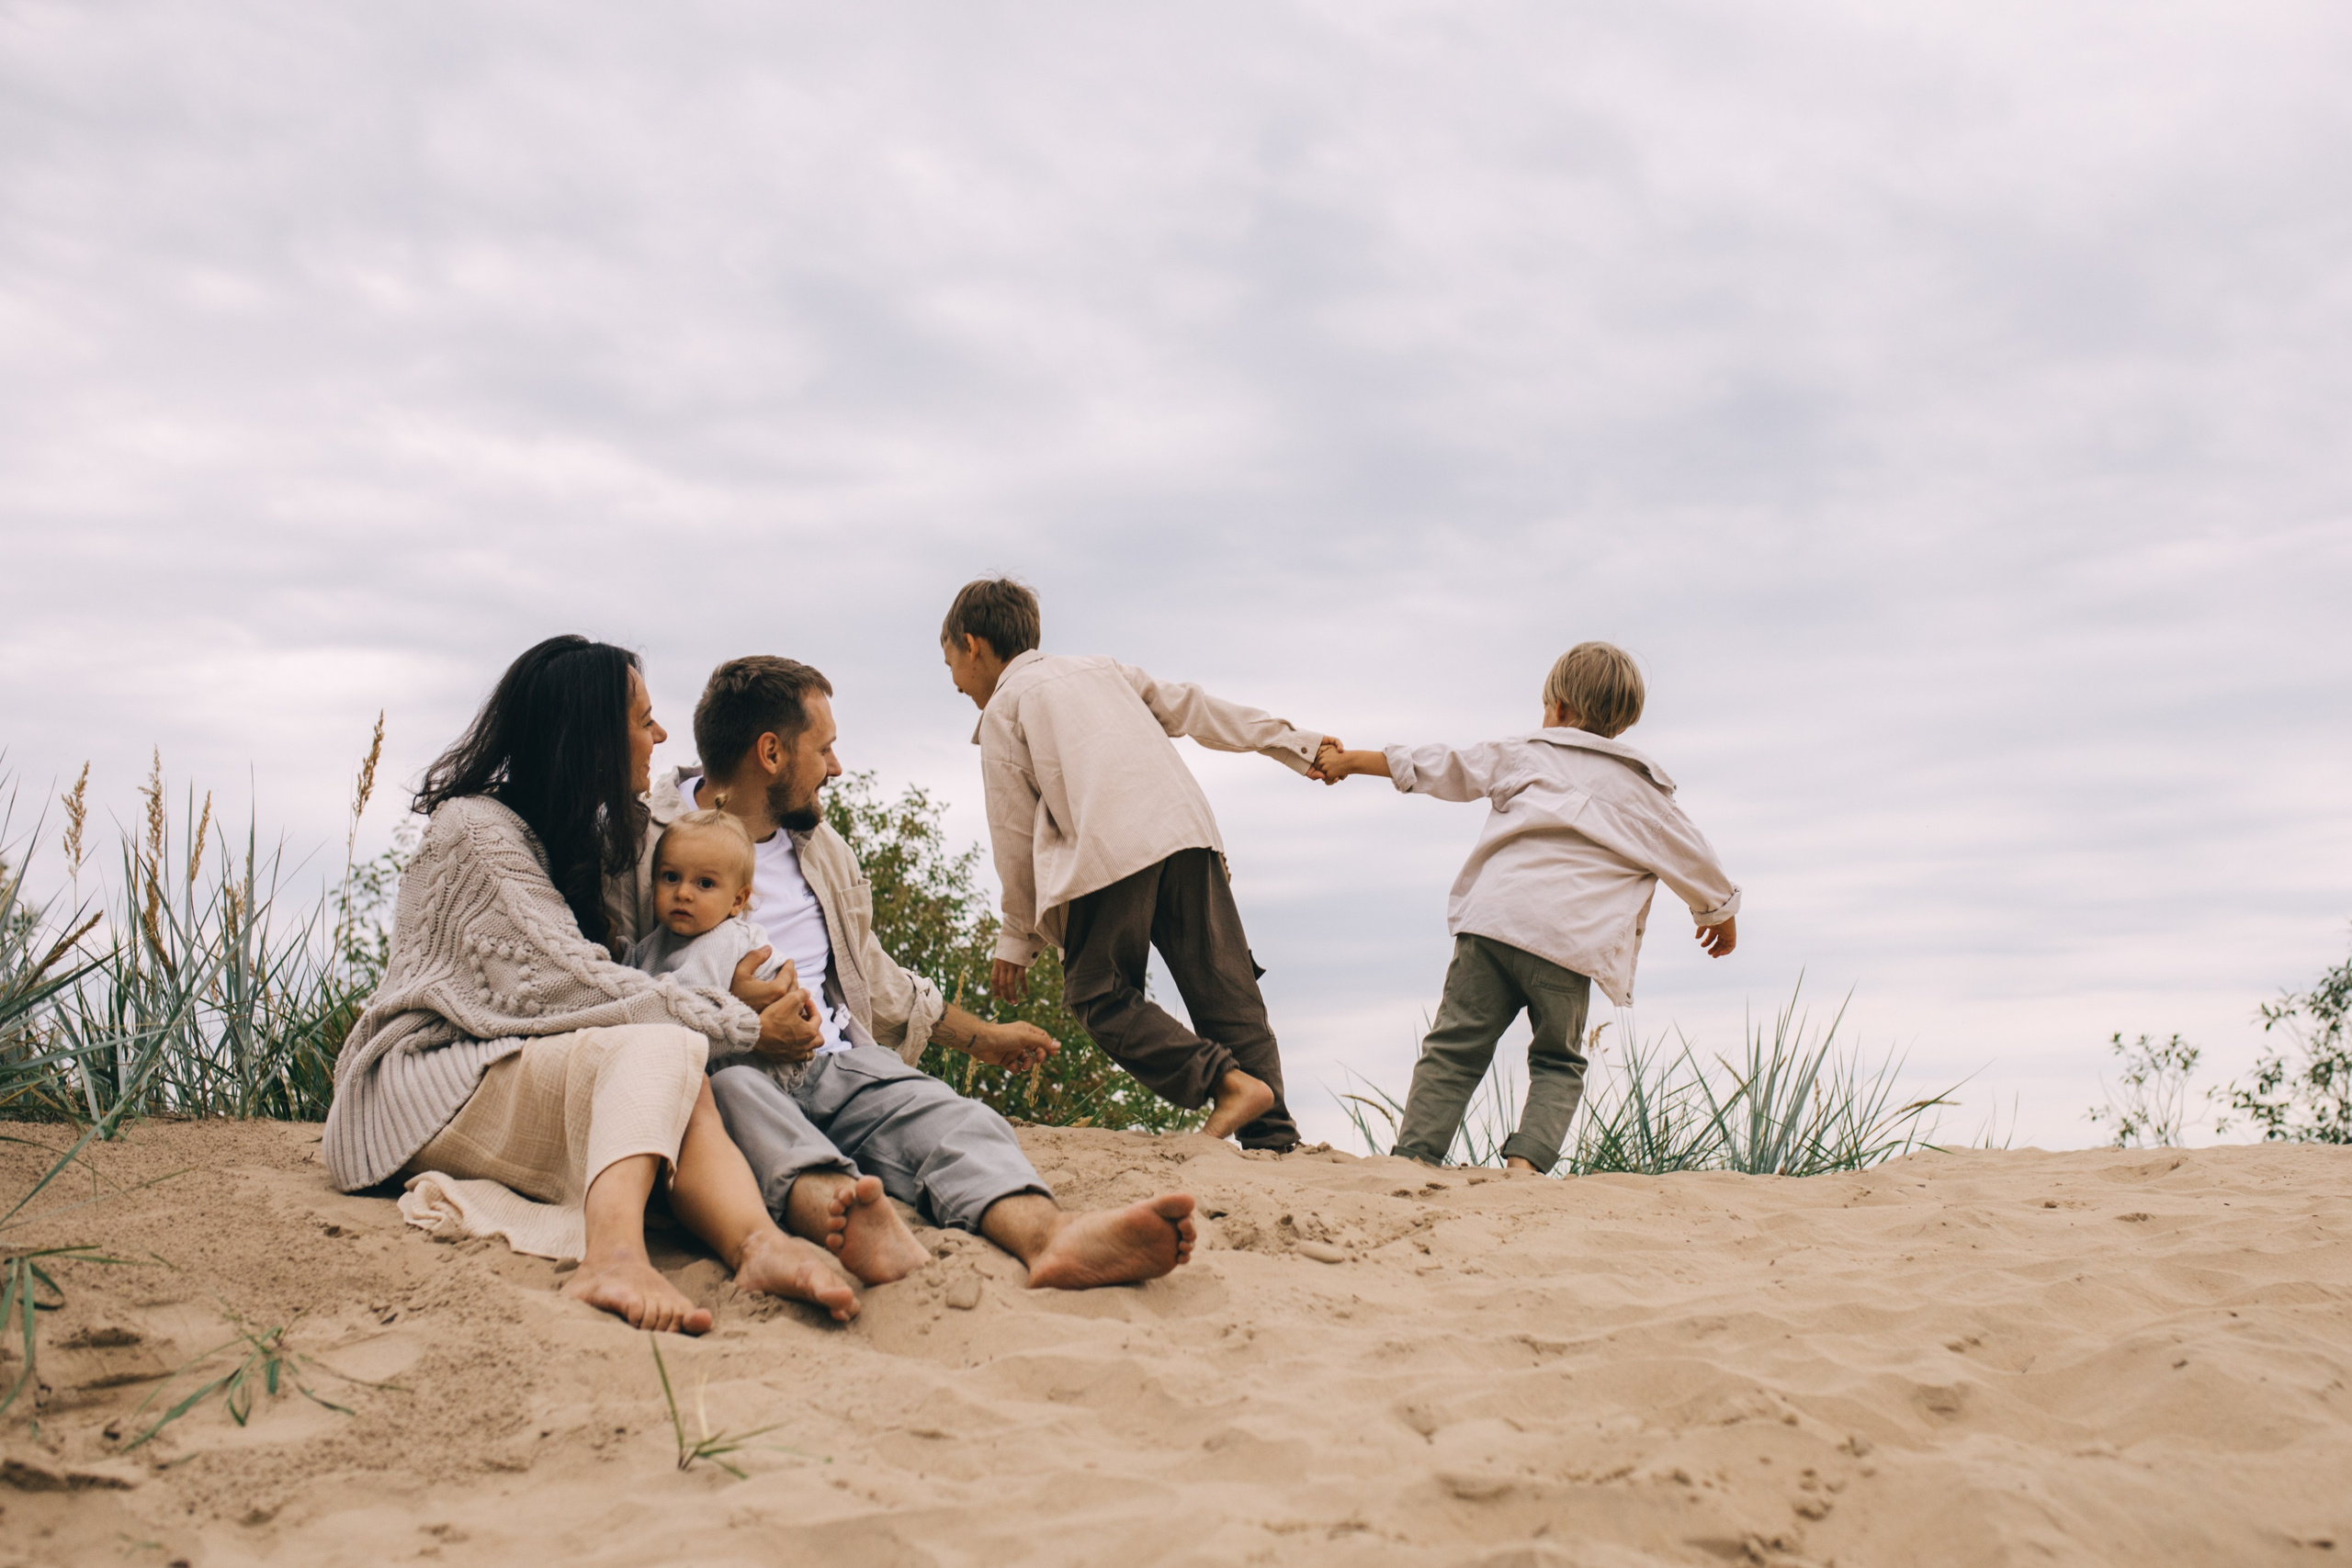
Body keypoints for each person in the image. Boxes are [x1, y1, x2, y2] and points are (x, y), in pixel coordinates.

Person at [322, 636, 867, 1335]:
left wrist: (742, 992)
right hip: (426, 1083)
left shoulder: (564, 838)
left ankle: (757, 1245)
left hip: (505, 1067)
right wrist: (747, 1026)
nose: (662, 735)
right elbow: (581, 988)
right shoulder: (479, 833)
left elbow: (616, 983)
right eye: (644, 720)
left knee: (677, 1062)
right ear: (593, 737)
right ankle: (612, 1257)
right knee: (658, 1046)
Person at [614, 654, 1198, 1292]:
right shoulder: (643, 848)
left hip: (837, 1065)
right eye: (825, 748)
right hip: (724, 1077)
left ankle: (1049, 1235)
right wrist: (738, 1018)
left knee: (951, 1116)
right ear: (772, 753)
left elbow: (881, 982)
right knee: (744, 1108)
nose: (835, 767)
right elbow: (609, 984)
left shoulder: (822, 851)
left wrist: (988, 1038)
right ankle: (846, 1213)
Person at [1314, 641, 1741, 1175]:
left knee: (1453, 1048)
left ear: (1558, 710)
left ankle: (1414, 1158)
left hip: (1492, 927)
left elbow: (1442, 766)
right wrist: (1718, 915)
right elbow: (1693, 856)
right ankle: (1524, 1169)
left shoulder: (1524, 754)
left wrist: (1352, 760)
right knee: (1558, 1061)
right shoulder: (1646, 793)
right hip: (1569, 944)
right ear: (1625, 726)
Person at [942, 577, 1325, 1149]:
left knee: (1096, 993)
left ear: (973, 645)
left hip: (1110, 845)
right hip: (1186, 832)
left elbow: (1013, 836)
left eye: (950, 663)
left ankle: (1223, 1082)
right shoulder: (1103, 669)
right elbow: (1198, 709)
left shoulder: (1006, 708)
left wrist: (1016, 939)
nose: (954, 683)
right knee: (1225, 989)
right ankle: (1272, 1138)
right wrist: (1299, 743)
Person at [624, 809, 774, 994]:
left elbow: (686, 1007)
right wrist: (618, 950)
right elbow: (640, 965)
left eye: (705, 883)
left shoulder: (721, 942)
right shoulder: (664, 935)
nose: (683, 893)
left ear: (737, 901)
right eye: (671, 877)